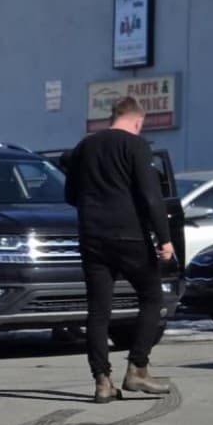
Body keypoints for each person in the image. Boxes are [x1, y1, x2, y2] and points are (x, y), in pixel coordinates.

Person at [63, 97, 174, 402]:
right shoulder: (136, 146)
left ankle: (101, 381)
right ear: (138, 121)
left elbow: (70, 195)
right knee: (152, 297)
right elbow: (151, 197)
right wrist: (164, 239)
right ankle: (138, 369)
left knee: (98, 310)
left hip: (92, 237)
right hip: (130, 237)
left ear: (113, 117)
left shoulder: (84, 147)